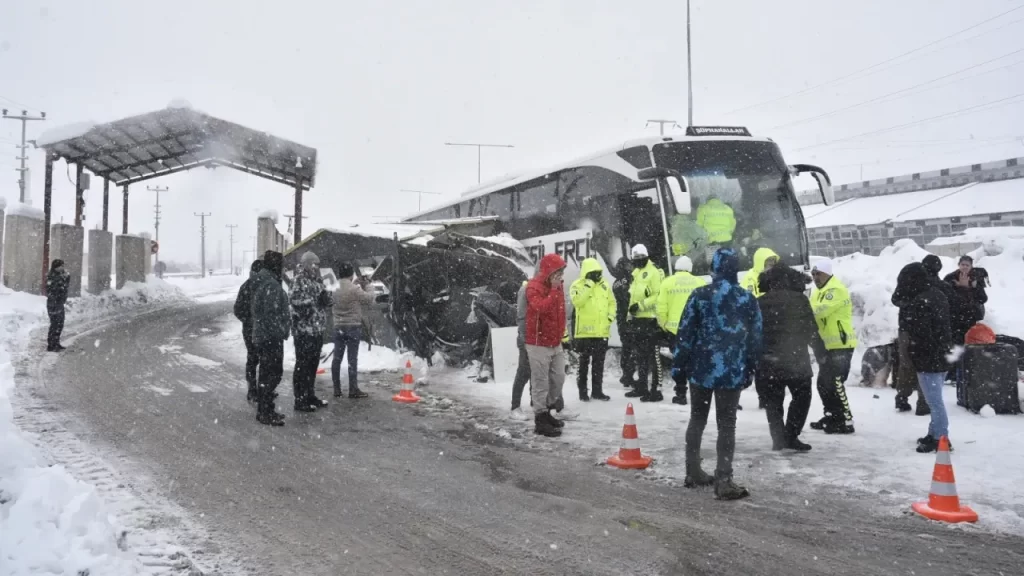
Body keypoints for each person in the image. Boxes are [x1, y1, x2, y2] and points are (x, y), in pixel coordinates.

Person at [672, 248, 762, 500]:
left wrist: (679, 366)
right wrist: (751, 367)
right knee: (727, 424)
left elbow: (685, 334)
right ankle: (723, 479)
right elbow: (756, 339)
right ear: (736, 269)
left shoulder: (699, 296)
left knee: (697, 419)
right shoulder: (747, 299)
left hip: (700, 370)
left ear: (714, 268)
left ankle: (693, 471)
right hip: (731, 371)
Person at [755, 266, 820, 452]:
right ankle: (791, 435)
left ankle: (778, 438)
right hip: (795, 360)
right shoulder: (799, 300)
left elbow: (752, 334)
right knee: (802, 397)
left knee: (773, 402)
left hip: (767, 361)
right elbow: (811, 331)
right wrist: (822, 355)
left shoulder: (759, 302)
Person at [895, 263, 953, 453]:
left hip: (928, 359)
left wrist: (914, 354)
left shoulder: (920, 301)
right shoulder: (937, 294)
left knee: (934, 402)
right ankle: (934, 432)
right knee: (934, 400)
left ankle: (940, 438)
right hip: (942, 355)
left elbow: (921, 334)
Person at [809, 259, 857, 435]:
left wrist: (804, 310)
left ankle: (845, 419)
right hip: (827, 345)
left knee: (836, 382)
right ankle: (831, 415)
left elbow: (819, 311)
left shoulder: (835, 290)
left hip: (841, 344)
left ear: (828, 273)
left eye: (818, 274)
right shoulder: (817, 292)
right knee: (823, 383)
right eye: (813, 275)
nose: (815, 278)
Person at [524, 253, 568, 437]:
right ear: (549, 272)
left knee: (558, 377)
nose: (560, 276)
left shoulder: (557, 288)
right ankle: (540, 418)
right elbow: (540, 307)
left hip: (555, 341)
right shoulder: (533, 287)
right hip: (538, 342)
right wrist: (553, 291)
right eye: (558, 272)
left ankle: (547, 409)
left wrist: (562, 335)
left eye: (561, 272)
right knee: (540, 381)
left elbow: (560, 312)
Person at [656, 256, 707, 405]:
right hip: (695, 330)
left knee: (679, 362)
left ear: (677, 267)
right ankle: (698, 394)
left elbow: (661, 308)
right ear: (690, 268)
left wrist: (664, 325)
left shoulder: (667, 282)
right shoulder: (700, 283)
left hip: (674, 330)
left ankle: (681, 393)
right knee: (696, 362)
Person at [250, 251, 291, 426]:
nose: (283, 269)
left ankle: (266, 409)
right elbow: (271, 315)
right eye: (282, 265)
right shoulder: (271, 286)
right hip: (270, 337)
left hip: (264, 335)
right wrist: (281, 330)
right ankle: (265, 411)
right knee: (272, 374)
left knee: (267, 374)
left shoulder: (263, 281)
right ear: (276, 266)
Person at [289, 252, 332, 412]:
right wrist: (314, 301)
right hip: (304, 331)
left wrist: (327, 300)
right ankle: (300, 399)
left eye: (318, 264)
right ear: (306, 264)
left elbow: (324, 299)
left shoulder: (317, 280)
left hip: (316, 330)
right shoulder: (298, 280)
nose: (316, 267)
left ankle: (309, 394)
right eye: (313, 263)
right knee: (302, 365)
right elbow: (294, 302)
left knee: (313, 364)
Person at [569, 257, 615, 402]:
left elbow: (612, 303)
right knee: (583, 364)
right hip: (585, 333)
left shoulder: (604, 285)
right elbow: (578, 302)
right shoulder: (577, 285)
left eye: (598, 272)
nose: (596, 275)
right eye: (593, 272)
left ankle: (597, 391)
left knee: (598, 364)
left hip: (601, 332)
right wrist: (588, 285)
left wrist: (609, 318)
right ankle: (583, 392)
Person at [624, 244, 666, 402]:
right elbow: (632, 298)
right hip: (637, 320)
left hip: (650, 319)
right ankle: (641, 386)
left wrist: (641, 305)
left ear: (646, 257)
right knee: (640, 356)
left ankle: (656, 390)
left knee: (653, 356)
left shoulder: (654, 272)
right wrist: (630, 314)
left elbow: (658, 295)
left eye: (640, 259)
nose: (638, 262)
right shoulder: (636, 273)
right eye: (635, 259)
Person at [331, 262, 375, 399]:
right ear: (351, 274)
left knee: (336, 359)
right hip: (353, 327)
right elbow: (368, 299)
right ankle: (353, 389)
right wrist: (368, 285)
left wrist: (354, 283)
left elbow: (343, 291)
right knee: (352, 359)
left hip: (338, 327)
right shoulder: (354, 289)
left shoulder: (333, 287)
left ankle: (337, 389)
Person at [891, 264, 931, 415]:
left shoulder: (904, 283)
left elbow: (895, 299)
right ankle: (923, 402)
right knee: (923, 367)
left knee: (906, 365)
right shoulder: (926, 286)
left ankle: (901, 398)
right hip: (923, 332)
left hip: (905, 330)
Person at [233, 260, 263, 402]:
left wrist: (247, 320)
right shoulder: (254, 286)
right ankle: (254, 390)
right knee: (256, 358)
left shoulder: (247, 286)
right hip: (254, 329)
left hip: (251, 329)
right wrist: (251, 321)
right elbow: (238, 309)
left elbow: (238, 309)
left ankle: (257, 389)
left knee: (254, 359)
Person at [943, 255, 988, 346]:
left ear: (971, 266)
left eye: (967, 265)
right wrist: (959, 287)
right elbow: (946, 296)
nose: (965, 267)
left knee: (969, 337)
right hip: (955, 314)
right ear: (958, 265)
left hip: (971, 313)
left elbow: (983, 298)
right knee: (957, 339)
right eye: (963, 264)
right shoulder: (951, 277)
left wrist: (974, 288)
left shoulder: (975, 278)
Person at [611, 257, 635, 387]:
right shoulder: (629, 280)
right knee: (631, 348)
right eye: (629, 265)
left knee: (627, 348)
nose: (631, 267)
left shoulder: (616, 282)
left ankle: (626, 374)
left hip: (622, 318)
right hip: (628, 317)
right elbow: (628, 298)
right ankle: (628, 375)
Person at [510, 280, 532, 420]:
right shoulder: (526, 290)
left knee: (538, 373)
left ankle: (536, 402)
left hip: (536, 339)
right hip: (527, 339)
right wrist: (525, 338)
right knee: (524, 372)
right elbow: (522, 317)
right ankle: (515, 407)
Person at [45, 259, 71, 352]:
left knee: (60, 323)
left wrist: (66, 278)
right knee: (55, 324)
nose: (63, 267)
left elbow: (65, 285)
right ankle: (51, 345)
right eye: (61, 266)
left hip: (59, 303)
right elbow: (52, 290)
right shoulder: (51, 276)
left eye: (63, 266)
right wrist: (62, 281)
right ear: (56, 267)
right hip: (53, 304)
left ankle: (56, 342)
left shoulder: (62, 275)